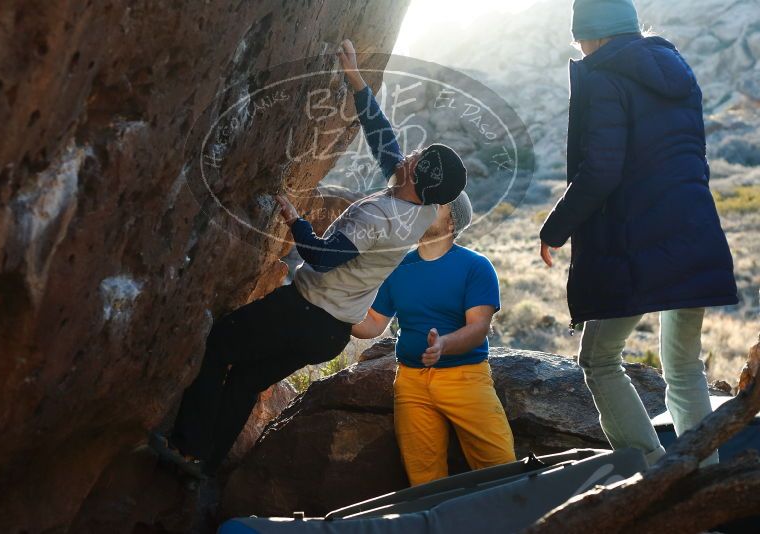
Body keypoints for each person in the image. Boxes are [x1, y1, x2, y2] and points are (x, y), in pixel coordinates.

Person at [153, 39, 467, 477]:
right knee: (245, 379)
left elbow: (322, 258)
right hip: (329, 333)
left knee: (220, 343)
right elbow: (385, 144)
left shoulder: (380, 217)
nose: (409, 154)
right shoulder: (423, 208)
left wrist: (295, 221)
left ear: (416, 173)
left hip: (304, 313)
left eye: (417, 157)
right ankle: (204, 467)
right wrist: (356, 81)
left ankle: (184, 446)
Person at [539, 0, 738, 466]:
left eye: (580, 42)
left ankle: (650, 474)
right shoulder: (677, 69)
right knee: (684, 367)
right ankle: (702, 482)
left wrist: (557, 227)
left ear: (593, 35)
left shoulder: (604, 76)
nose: (581, 51)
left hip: (634, 242)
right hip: (694, 233)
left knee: (599, 361)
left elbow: (601, 170)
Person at [353, 191, 515, 486]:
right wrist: (335, 315)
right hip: (411, 383)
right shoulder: (397, 267)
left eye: (435, 205)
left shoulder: (476, 266)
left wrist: (443, 345)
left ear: (452, 222)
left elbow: (478, 327)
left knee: (501, 471)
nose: (423, 208)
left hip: (465, 378)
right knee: (424, 482)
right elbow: (373, 323)